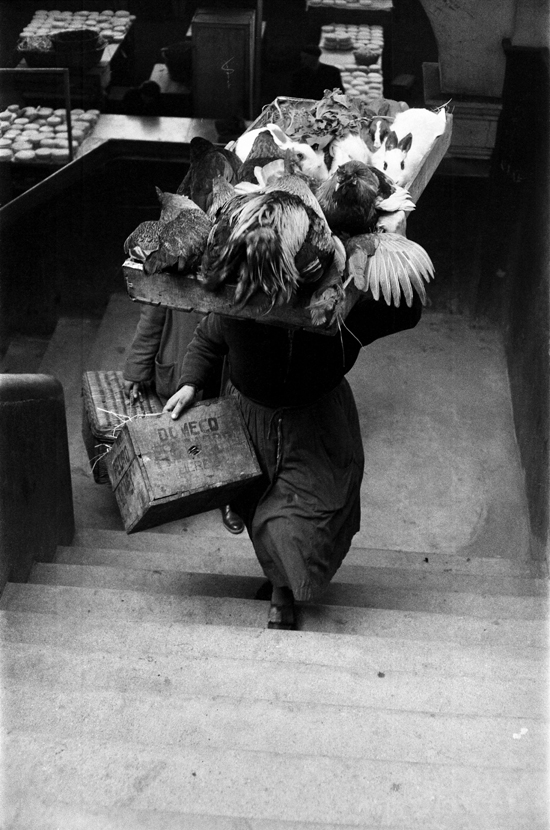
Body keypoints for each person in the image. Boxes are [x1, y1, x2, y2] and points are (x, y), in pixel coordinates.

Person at [163, 241, 422, 629]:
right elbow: (208, 339)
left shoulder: (339, 311)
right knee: (257, 511)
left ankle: (283, 596)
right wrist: (190, 382)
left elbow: (407, 308)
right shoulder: (242, 303)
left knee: (291, 521)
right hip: (250, 424)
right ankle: (278, 576)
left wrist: (390, 254)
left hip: (315, 428)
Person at [122, 304, 245, 534]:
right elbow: (154, 305)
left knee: (232, 425)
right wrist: (138, 366)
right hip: (183, 351)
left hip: (232, 353)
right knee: (186, 422)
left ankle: (229, 496)